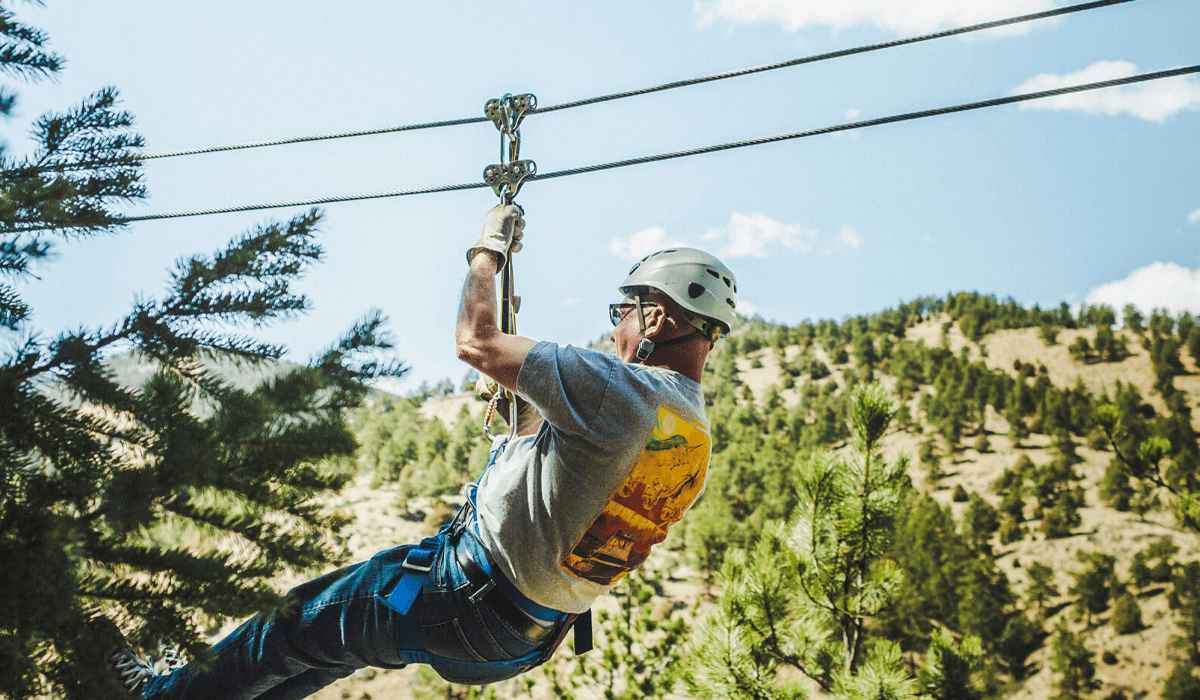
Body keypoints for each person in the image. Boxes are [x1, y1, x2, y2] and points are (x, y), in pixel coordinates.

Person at [106, 204, 738, 699]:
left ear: (655, 319)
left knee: (287, 630)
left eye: (622, 311)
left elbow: (476, 341)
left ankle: (160, 695)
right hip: (514, 641)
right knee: (316, 655)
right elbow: (574, 500)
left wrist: (486, 255)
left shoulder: (620, 389)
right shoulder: (691, 437)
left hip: (458, 595)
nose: (613, 326)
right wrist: (527, 427)